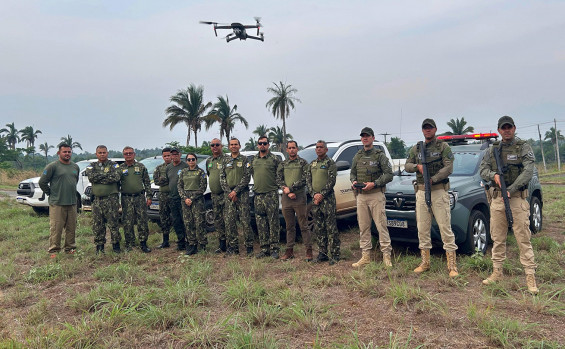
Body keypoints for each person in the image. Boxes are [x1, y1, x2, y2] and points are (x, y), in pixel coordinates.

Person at [479, 116, 539, 294]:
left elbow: (529, 170)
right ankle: (497, 272)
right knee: (498, 238)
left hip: (517, 198)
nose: (506, 130)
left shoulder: (523, 146)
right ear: (499, 130)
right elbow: (483, 169)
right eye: (503, 128)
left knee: (523, 238)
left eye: (509, 127)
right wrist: (493, 176)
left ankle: (530, 276)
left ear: (514, 128)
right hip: (497, 198)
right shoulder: (492, 150)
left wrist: (511, 189)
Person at [405, 118, 459, 277]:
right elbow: (407, 165)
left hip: (438, 191)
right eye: (425, 128)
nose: (427, 130)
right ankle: (425, 262)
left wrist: (433, 179)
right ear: (422, 130)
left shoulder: (443, 147)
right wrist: (417, 167)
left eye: (430, 128)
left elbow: (449, 167)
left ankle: (452, 265)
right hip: (421, 192)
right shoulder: (416, 148)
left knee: (445, 228)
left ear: (435, 129)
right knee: (422, 228)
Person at [350, 127, 394, 268]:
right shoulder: (357, 156)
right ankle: (366, 256)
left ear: (373, 138)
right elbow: (352, 173)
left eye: (367, 136)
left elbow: (389, 174)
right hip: (361, 196)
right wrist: (354, 182)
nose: (365, 138)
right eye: (363, 136)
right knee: (363, 227)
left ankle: (386, 255)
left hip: (376, 195)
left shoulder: (379, 155)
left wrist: (374, 184)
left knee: (381, 226)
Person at [38, 143, 80, 256]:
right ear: (58, 153)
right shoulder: (52, 166)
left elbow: (74, 181)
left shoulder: (75, 167)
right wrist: (51, 193)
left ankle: (70, 248)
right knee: (56, 228)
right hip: (57, 203)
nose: (67, 154)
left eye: (69, 152)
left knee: (71, 228)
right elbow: (42, 182)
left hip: (71, 202)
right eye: (64, 152)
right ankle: (54, 250)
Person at [276, 140, 313, 261]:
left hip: (299, 197)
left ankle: (308, 251)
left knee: (303, 225)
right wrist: (285, 189)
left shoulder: (303, 163)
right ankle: (289, 251)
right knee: (289, 226)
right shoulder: (283, 164)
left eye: (294, 148)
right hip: (287, 199)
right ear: (286, 150)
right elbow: (278, 179)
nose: (292, 150)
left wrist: (291, 189)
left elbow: (305, 179)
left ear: (297, 149)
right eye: (289, 148)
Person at [307, 140, 340, 265]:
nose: (319, 149)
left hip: (327, 200)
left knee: (331, 227)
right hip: (315, 200)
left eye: (321, 147)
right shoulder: (312, 164)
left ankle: (335, 254)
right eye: (317, 147)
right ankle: (323, 253)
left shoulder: (330, 163)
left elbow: (331, 181)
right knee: (319, 228)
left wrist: (321, 194)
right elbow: (308, 180)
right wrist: (313, 194)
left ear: (326, 150)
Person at [220, 137, 254, 256]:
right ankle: (233, 248)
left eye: (236, 144)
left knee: (245, 221)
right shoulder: (225, 160)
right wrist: (230, 192)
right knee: (230, 222)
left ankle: (249, 247)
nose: (234, 146)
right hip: (228, 195)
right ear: (229, 147)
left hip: (242, 194)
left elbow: (247, 177)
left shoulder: (244, 160)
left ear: (239, 146)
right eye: (231, 144)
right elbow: (222, 177)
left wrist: (236, 191)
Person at [249, 136, 281, 259]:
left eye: (265, 143)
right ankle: (264, 248)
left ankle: (274, 249)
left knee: (273, 222)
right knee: (261, 223)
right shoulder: (254, 159)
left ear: (268, 145)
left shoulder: (274, 159)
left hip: (270, 195)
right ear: (257, 145)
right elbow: (252, 173)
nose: (262, 145)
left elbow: (279, 175)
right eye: (260, 143)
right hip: (258, 195)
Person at [85, 145, 121, 254]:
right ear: (96, 154)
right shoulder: (92, 166)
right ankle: (99, 247)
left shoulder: (114, 165)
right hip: (97, 200)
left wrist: (99, 177)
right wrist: (106, 176)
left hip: (111, 200)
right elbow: (91, 177)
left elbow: (116, 177)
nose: (102, 154)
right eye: (100, 153)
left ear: (107, 153)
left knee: (113, 223)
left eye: (104, 152)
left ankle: (116, 246)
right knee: (98, 224)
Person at [119, 146, 152, 253]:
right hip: (126, 198)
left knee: (142, 220)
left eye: (130, 153)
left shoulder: (141, 166)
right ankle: (129, 244)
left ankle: (143, 243)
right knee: (127, 222)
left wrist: (149, 196)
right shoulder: (120, 168)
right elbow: (116, 184)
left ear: (134, 154)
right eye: (126, 154)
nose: (128, 155)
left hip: (139, 197)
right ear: (123, 155)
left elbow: (147, 182)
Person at [178, 153, 208, 255]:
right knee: (188, 222)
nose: (191, 161)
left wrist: (191, 198)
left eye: (193, 159)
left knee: (199, 222)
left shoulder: (201, 172)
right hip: (185, 201)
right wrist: (185, 198)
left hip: (197, 200)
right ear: (186, 161)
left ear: (196, 160)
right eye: (189, 160)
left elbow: (203, 187)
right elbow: (179, 186)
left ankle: (202, 244)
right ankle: (192, 244)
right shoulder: (183, 172)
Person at [206, 138, 227, 254]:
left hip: (225, 195)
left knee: (228, 220)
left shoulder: (226, 159)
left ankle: (231, 245)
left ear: (221, 146)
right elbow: (210, 174)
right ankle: (222, 244)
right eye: (212, 145)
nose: (214, 147)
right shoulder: (209, 161)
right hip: (214, 195)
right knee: (218, 221)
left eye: (217, 145)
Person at [165, 148, 189, 251]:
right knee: (176, 221)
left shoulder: (185, 166)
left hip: (183, 198)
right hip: (173, 198)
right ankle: (180, 242)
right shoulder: (168, 167)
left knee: (186, 221)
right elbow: (168, 181)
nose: (174, 156)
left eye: (176, 154)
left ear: (180, 154)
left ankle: (189, 241)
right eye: (172, 154)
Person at [152, 147, 172, 248]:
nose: (167, 157)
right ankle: (165, 241)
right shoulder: (159, 168)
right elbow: (156, 181)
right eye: (165, 156)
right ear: (163, 157)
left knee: (178, 217)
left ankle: (182, 240)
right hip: (163, 195)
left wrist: (163, 179)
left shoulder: (177, 166)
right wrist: (168, 179)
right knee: (164, 218)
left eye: (169, 155)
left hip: (175, 195)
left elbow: (179, 181)